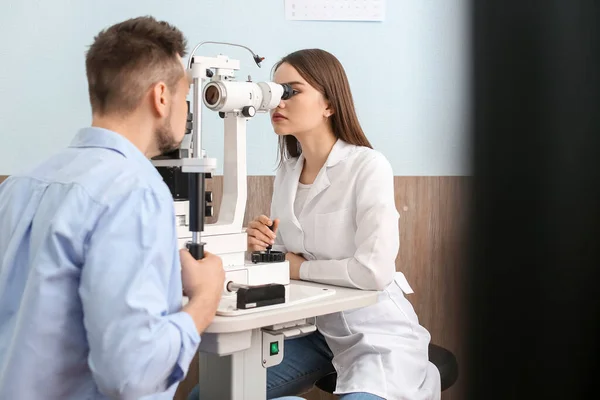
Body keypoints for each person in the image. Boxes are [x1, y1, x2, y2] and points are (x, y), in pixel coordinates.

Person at [0, 16, 229, 400]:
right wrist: (206, 298)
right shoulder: (134, 191)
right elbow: (130, 375)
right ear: (161, 96)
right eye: (184, 96)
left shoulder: (19, 185)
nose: (186, 111)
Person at [250, 49, 442, 399]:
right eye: (274, 91)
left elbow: (373, 273)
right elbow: (284, 256)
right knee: (216, 390)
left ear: (329, 105)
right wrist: (262, 248)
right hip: (312, 331)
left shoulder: (367, 166)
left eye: (291, 91)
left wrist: (299, 269)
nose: (278, 101)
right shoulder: (287, 174)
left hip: (375, 335)